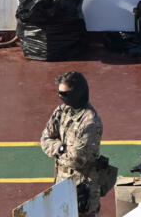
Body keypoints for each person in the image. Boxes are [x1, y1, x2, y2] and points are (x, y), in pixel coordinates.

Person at [40, 71, 104, 217]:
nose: (61, 97)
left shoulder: (90, 122)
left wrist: (57, 148)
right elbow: (45, 139)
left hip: (82, 188)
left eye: (65, 94)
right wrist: (62, 148)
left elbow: (77, 159)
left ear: (78, 93)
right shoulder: (62, 111)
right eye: (59, 93)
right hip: (61, 182)